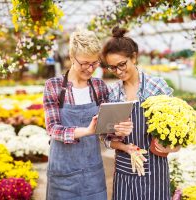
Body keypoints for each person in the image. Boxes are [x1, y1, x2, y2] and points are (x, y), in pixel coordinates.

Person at [43, 27, 133, 200]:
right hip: (63, 174)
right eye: (85, 63)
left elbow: (107, 129)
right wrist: (87, 131)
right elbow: (53, 129)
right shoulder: (53, 86)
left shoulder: (99, 87)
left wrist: (119, 130)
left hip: (92, 173)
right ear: (71, 58)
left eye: (95, 63)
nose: (90, 69)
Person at [101, 27, 181, 200]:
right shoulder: (113, 93)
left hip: (154, 168)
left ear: (134, 57)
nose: (119, 72)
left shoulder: (156, 87)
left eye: (122, 64)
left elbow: (177, 130)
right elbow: (106, 139)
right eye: (113, 68)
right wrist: (119, 139)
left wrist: (172, 147)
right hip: (124, 169)